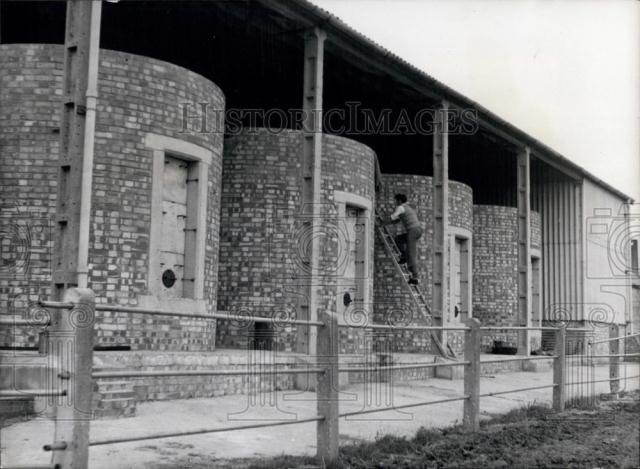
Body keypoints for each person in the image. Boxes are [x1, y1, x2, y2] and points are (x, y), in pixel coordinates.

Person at [386, 193, 422, 284]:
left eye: (396, 200)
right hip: (416, 230)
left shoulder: (400, 207)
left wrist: (382, 222)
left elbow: (392, 217)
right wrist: (387, 223)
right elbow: (396, 220)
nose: (395, 202)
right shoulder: (407, 208)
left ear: (400, 201)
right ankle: (404, 255)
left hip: (413, 231)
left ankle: (415, 277)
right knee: (398, 239)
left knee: (411, 253)